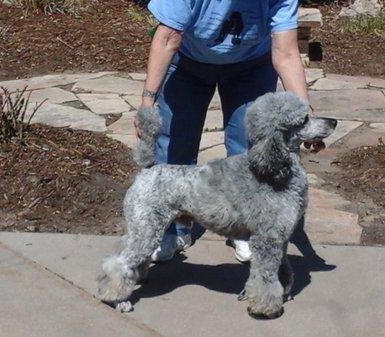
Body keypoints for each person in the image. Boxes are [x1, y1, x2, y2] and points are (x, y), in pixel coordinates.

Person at [137, 0, 322, 263]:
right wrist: (148, 102)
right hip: (188, 61)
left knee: (248, 150)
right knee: (173, 146)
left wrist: (304, 118)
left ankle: (244, 229)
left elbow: (287, 53)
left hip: (251, 65)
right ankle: (170, 231)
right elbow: (168, 37)